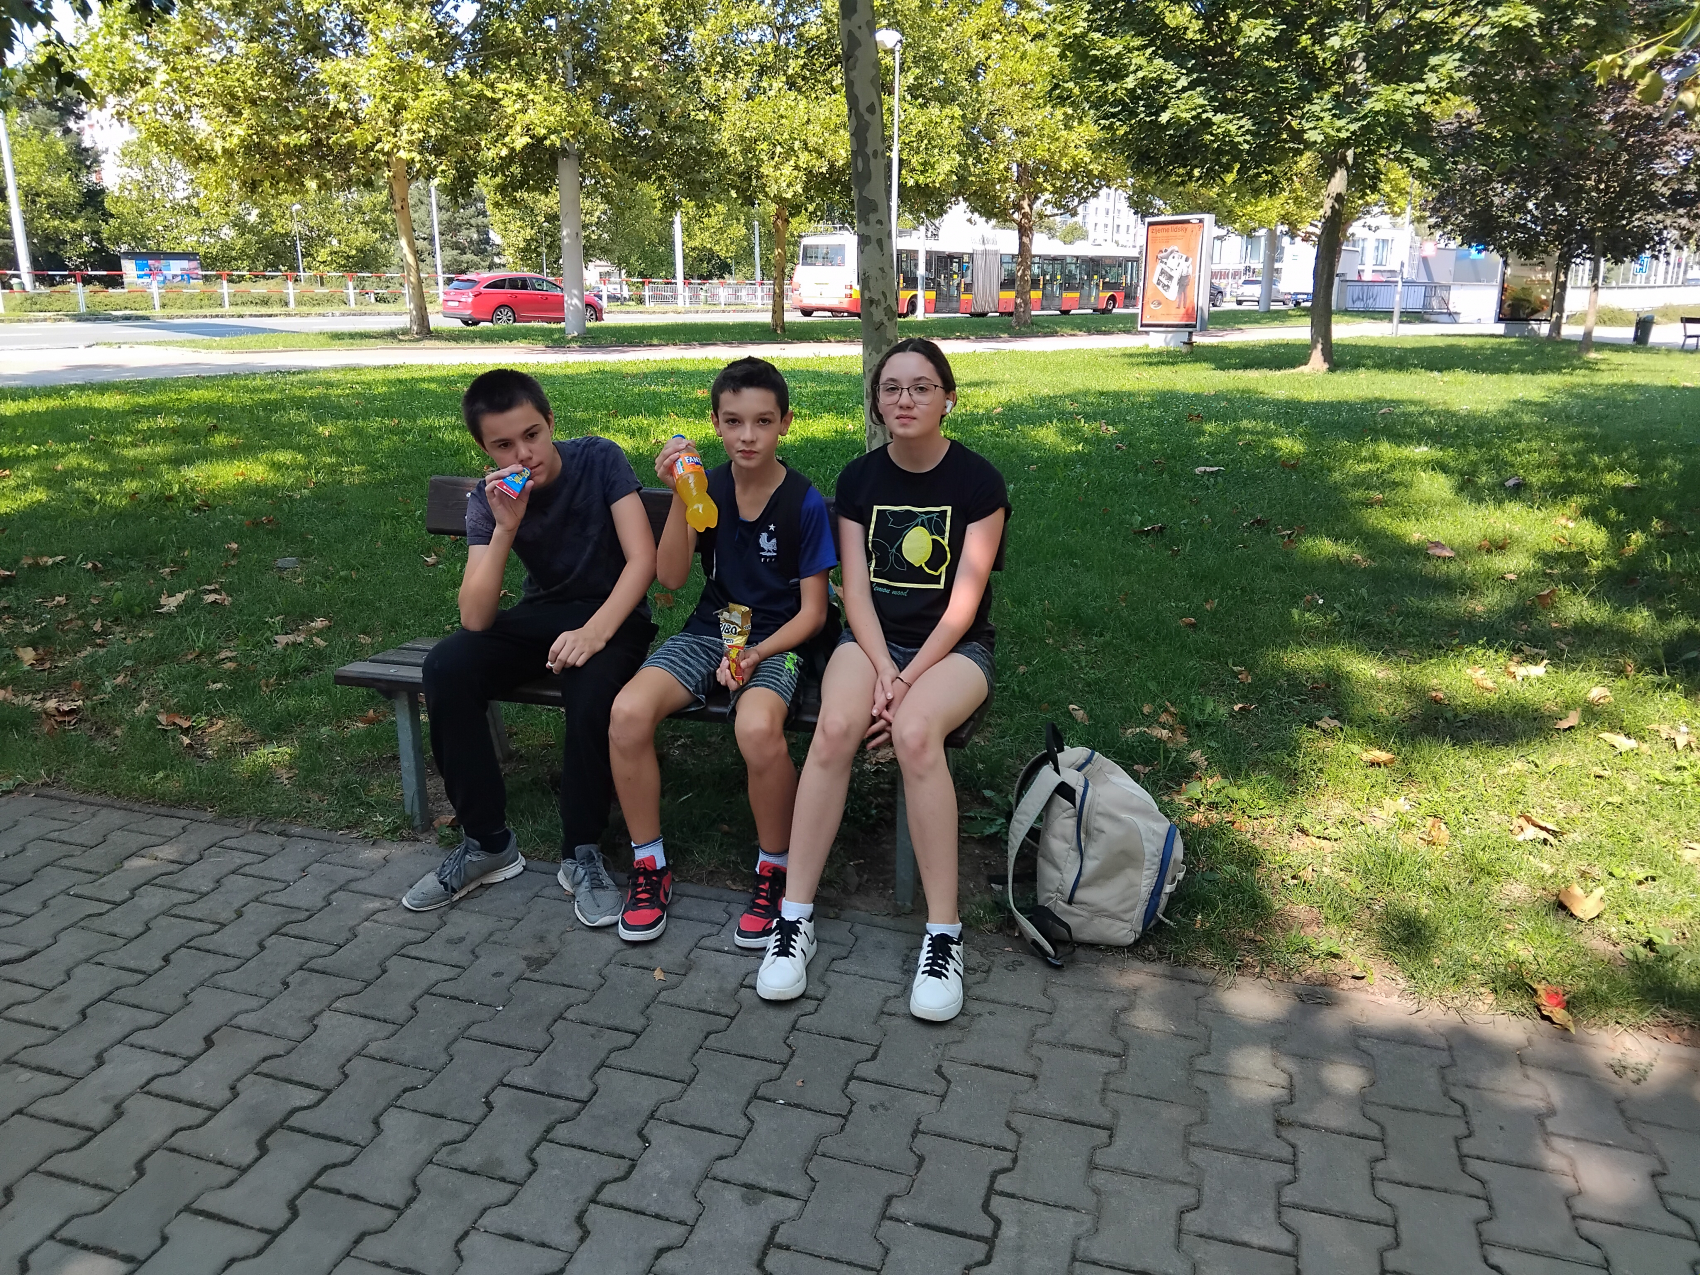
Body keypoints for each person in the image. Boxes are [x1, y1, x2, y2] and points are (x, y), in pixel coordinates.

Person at [757, 338, 1008, 1022]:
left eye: (922, 387)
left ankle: (943, 934)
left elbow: (964, 605)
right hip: (871, 642)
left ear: (947, 398)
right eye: (891, 387)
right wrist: (885, 668)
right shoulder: (860, 479)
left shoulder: (978, 483)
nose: (905, 399)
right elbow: (857, 593)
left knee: (917, 734)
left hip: (954, 650)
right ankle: (794, 918)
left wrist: (906, 681)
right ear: (876, 401)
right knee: (836, 726)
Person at [402, 369, 658, 913]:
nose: (523, 454)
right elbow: (475, 618)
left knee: (591, 686)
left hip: (615, 617)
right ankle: (487, 844)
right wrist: (505, 527)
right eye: (504, 445)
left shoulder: (599, 460)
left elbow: (643, 560)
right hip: (542, 617)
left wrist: (595, 631)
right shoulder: (489, 499)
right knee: (448, 666)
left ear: (550, 423)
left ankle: (582, 851)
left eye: (532, 435)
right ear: (485, 450)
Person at [608, 357, 836, 943]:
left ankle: (775, 866)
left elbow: (814, 613)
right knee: (627, 713)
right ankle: (649, 862)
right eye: (733, 422)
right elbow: (670, 577)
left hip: (778, 636)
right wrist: (679, 497)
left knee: (756, 728)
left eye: (763, 421)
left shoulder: (803, 502)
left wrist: (757, 655)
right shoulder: (702, 488)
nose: (747, 436)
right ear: (715, 423)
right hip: (713, 626)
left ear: (785, 423)